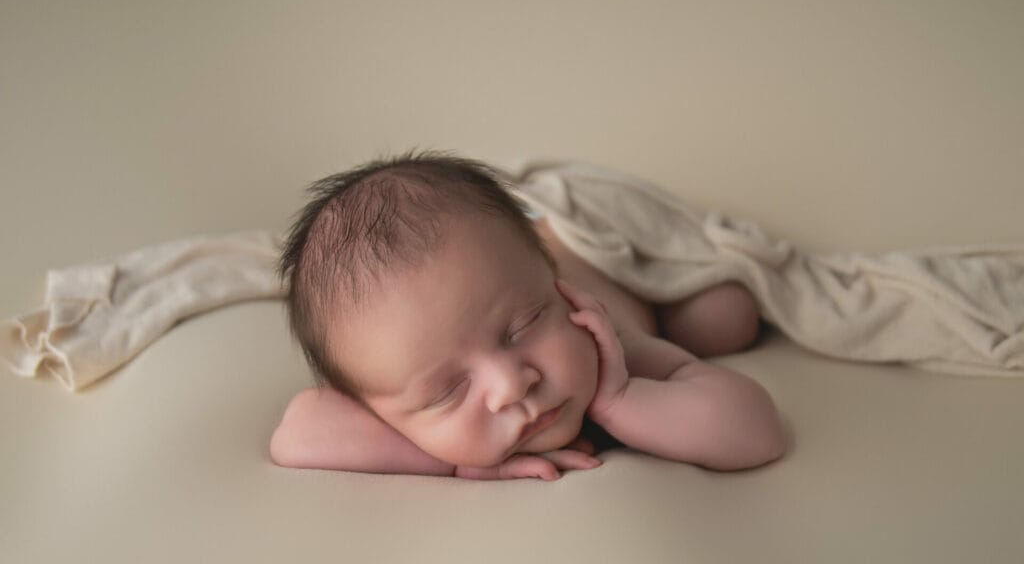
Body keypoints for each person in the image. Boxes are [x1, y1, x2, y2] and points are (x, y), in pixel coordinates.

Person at [269, 151, 786, 480]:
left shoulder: (602, 343)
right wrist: (457, 460)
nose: (511, 386)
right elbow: (298, 433)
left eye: (521, 328)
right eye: (446, 392)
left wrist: (623, 399)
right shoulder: (395, 366)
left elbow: (759, 431)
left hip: (589, 246)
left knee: (724, 317)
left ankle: (554, 238)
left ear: (554, 289)